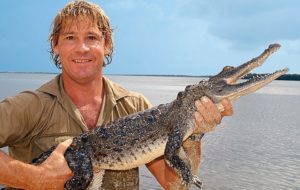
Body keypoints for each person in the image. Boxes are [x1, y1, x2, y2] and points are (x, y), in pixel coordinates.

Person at [0, 1, 233, 189]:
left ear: (107, 44)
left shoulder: (137, 106)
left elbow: (173, 184)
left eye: (92, 37)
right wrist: (34, 177)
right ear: (56, 46)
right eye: (70, 37)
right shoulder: (27, 106)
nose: (82, 48)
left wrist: (194, 134)